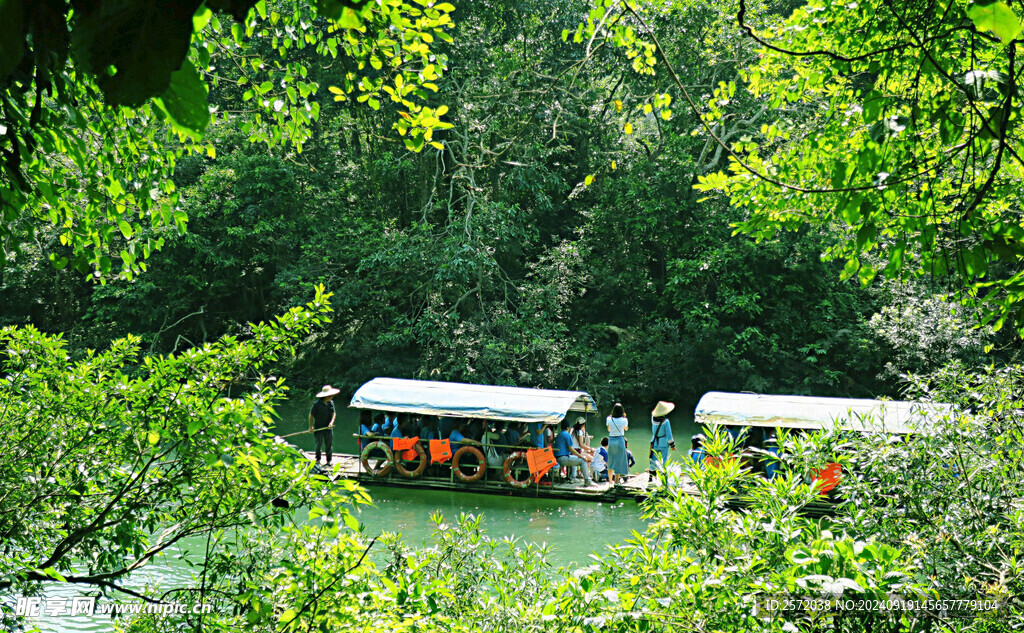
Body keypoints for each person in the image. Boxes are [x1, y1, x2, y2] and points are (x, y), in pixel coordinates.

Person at [552, 419, 592, 486]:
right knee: (583, 461)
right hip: (563, 459)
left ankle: (573, 476)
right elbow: (571, 449)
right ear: (568, 428)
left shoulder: (559, 435)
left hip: (558, 458)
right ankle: (587, 480)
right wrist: (581, 456)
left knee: (575, 457)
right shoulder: (567, 435)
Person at [308, 385, 339, 466]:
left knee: (329, 444)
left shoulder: (331, 403)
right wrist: (311, 427)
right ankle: (318, 459)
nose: (332, 396)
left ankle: (329, 460)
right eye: (330, 395)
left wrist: (331, 422)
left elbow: (333, 413)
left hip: (328, 428)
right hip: (318, 427)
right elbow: (311, 415)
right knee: (318, 444)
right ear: (326, 396)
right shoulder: (317, 404)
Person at [649, 401, 677, 478]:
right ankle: (664, 479)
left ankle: (651, 478)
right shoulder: (666, 421)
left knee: (653, 460)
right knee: (664, 460)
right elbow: (669, 435)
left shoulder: (652, 419)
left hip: (654, 442)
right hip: (663, 443)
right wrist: (672, 446)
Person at [606, 403, 629, 484]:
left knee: (611, 461)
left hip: (611, 440)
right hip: (620, 440)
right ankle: (616, 482)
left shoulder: (609, 419)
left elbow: (608, 429)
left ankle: (610, 482)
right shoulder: (624, 420)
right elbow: (626, 429)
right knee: (619, 462)